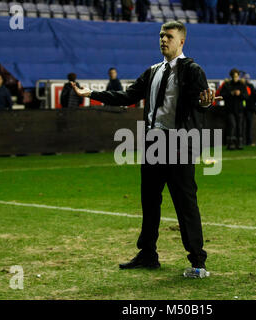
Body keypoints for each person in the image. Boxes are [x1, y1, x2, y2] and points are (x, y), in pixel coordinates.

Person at [71, 21, 220, 275]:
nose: (163, 40)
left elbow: (201, 103)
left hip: (178, 143)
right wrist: (91, 94)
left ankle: (198, 260)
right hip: (152, 142)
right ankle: (148, 254)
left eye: (169, 36)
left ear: (181, 41)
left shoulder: (193, 70)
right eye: (161, 35)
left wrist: (205, 104)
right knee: (149, 201)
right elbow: (127, 96)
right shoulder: (153, 71)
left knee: (185, 203)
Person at [220, 68, 248, 149]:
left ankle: (239, 143)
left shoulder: (242, 85)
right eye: (234, 76)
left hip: (239, 109)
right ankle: (230, 143)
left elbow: (246, 96)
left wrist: (240, 94)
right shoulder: (227, 85)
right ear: (231, 76)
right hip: (230, 109)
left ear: (238, 76)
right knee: (232, 125)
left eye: (237, 76)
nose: (235, 78)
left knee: (239, 126)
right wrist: (231, 93)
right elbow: (222, 95)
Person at [242, 72, 256, 146]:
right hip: (245, 109)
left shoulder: (249, 86)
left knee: (246, 126)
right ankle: (247, 141)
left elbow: (254, 97)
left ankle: (247, 141)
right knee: (245, 126)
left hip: (247, 109)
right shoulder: (245, 86)